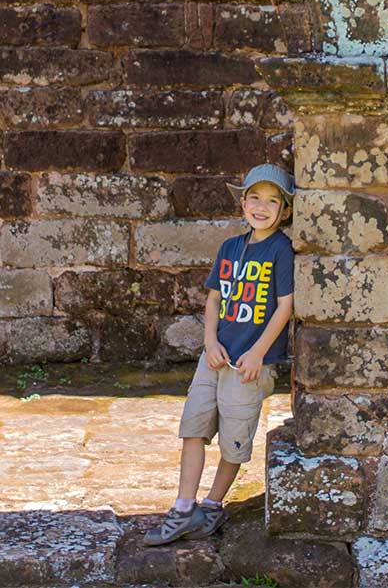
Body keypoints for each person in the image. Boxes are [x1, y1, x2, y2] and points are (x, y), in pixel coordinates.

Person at [144, 163, 295, 546]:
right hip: (214, 356)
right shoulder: (230, 247)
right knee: (193, 428)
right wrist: (209, 342)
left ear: (285, 210)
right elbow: (214, 299)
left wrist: (259, 352)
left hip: (248, 364)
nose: (261, 207)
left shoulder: (282, 250)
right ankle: (182, 507)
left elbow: (284, 306)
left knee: (234, 438)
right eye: (255, 199)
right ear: (243, 203)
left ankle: (211, 506)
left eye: (272, 201)